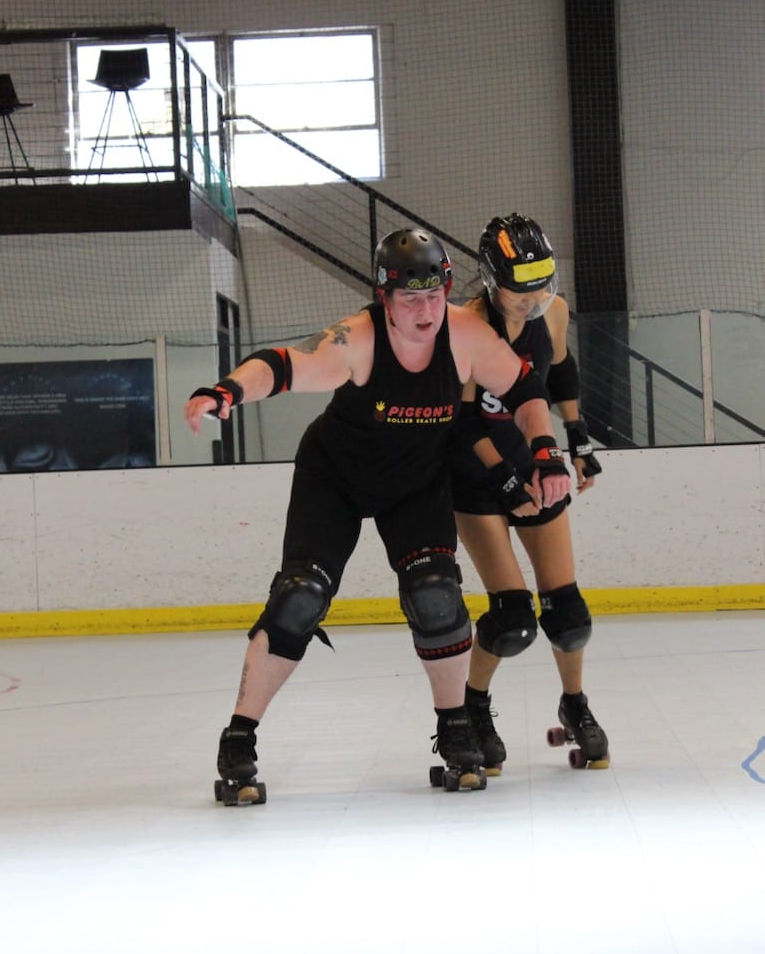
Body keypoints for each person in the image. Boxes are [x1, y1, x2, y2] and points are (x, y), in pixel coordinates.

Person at [185, 227, 570, 804]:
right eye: (408, 296)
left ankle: (455, 727)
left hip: (413, 486)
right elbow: (285, 366)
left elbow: (525, 390)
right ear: (382, 296)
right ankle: (240, 736)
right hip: (334, 478)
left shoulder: (465, 336)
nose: (424, 309)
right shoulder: (358, 339)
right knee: (299, 596)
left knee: (436, 594)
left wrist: (545, 449)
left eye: (434, 294)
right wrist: (227, 392)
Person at [450, 212, 608, 773]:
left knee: (569, 615)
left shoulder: (552, 312)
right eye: (521, 288)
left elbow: (559, 373)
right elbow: (463, 423)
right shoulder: (467, 327)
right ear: (493, 282)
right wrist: (508, 481)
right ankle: (472, 709)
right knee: (512, 620)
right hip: (476, 475)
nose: (533, 296)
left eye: (542, 281)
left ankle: (574, 705)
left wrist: (579, 441)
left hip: (534, 462)